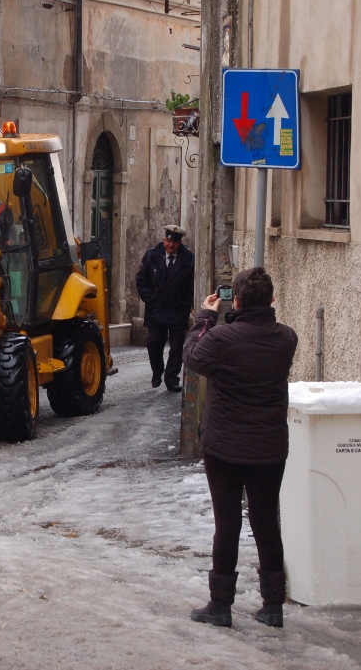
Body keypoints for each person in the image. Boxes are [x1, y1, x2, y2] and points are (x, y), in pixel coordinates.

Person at [182, 266, 298, 628]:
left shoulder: (221, 339)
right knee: (266, 522)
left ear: (238, 301)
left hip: (224, 447)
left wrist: (205, 317)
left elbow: (192, 356)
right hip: (269, 447)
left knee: (228, 523)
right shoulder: (286, 338)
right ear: (273, 299)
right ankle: (273, 605)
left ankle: (220, 605)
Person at [135, 224, 194, 391]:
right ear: (164, 239)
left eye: (174, 242)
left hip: (178, 309)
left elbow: (192, 284)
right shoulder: (152, 256)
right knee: (154, 344)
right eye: (168, 241)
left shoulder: (188, 258)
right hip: (156, 309)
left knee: (176, 347)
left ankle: (172, 378)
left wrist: (188, 304)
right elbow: (141, 280)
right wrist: (150, 299)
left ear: (180, 242)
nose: (171, 245)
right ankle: (157, 371)